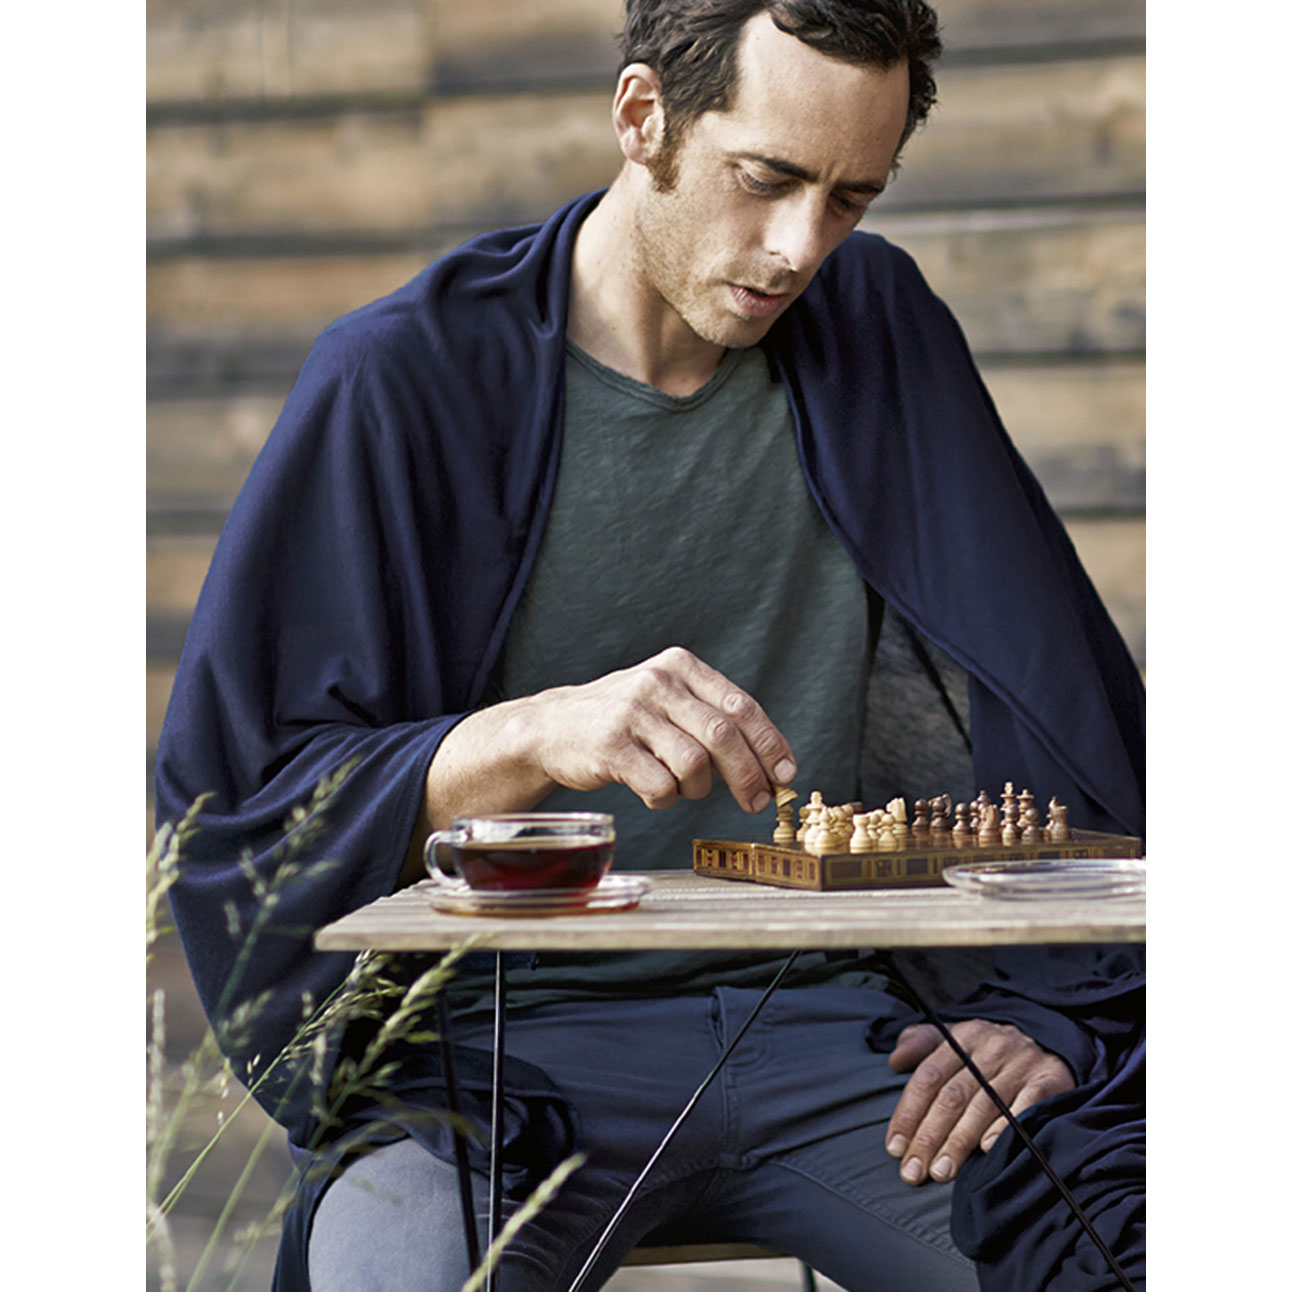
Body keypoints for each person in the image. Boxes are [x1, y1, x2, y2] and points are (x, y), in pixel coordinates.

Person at [154, 2, 1146, 1289]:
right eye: (766, 178)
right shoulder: (398, 380)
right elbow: (242, 808)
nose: (799, 247)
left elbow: (1063, 709)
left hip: (845, 1036)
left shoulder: (879, 328)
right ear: (642, 117)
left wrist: (1045, 1013)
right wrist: (528, 734)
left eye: (850, 197)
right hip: (490, 1059)